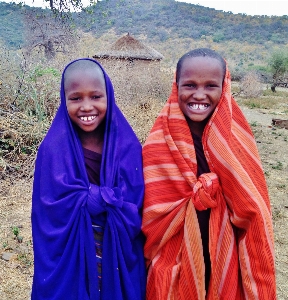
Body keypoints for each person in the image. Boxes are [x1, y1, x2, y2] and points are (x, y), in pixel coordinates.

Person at [142, 48, 276, 299]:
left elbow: (253, 212)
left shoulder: (235, 141)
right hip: (170, 264)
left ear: (224, 87)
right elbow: (150, 213)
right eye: (190, 85)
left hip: (224, 260)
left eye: (210, 86)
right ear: (176, 85)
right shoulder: (160, 141)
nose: (199, 94)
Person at [31, 58, 146, 300]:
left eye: (95, 97)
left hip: (117, 251)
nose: (86, 107)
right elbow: (47, 213)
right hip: (70, 254)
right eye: (76, 98)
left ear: (109, 96)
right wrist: (92, 199)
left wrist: (103, 202)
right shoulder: (53, 149)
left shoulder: (127, 145)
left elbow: (135, 202)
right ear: (64, 100)